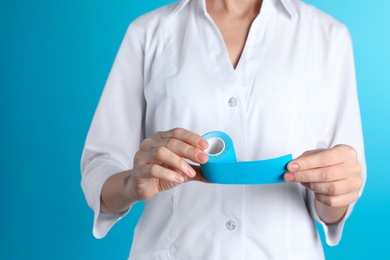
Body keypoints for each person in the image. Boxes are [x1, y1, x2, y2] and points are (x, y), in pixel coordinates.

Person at [81, 0, 366, 259]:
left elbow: (337, 194)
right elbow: (100, 166)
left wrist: (334, 192)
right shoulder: (148, 32)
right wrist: (133, 183)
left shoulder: (327, 36)